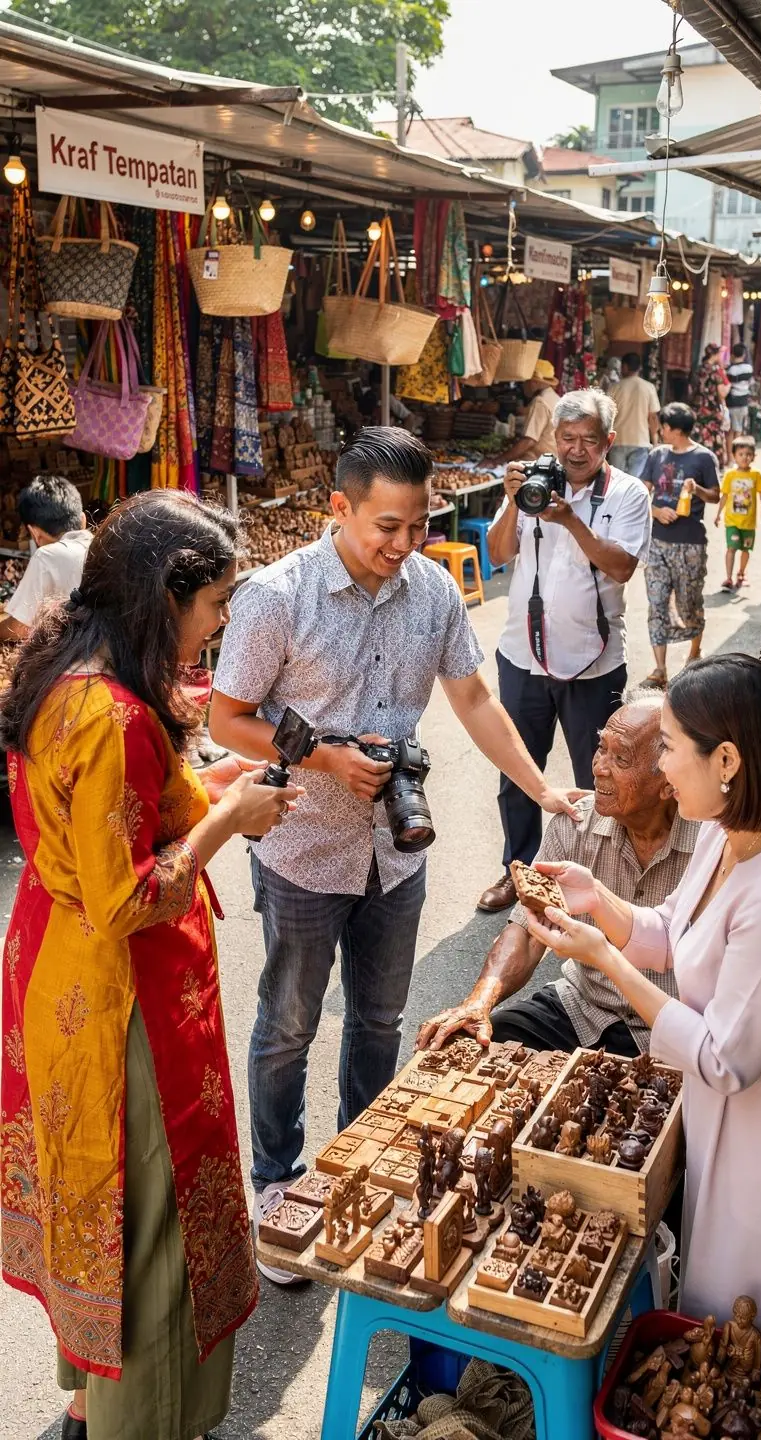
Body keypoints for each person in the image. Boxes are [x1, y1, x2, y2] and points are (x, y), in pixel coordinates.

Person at [208, 427, 582, 1283]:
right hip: (302, 843)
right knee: (288, 1026)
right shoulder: (278, 595)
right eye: (386, 527)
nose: (404, 546)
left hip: (396, 852)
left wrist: (540, 789)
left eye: (418, 525)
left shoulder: (432, 590)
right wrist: (326, 758)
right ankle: (276, 1181)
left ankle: (359, 1166)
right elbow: (225, 720)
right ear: (338, 509)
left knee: (379, 1021)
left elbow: (476, 697)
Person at [0, 493, 298, 1440]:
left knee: (94, 1192)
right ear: (162, 597)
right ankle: (146, 1419)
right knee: (149, 1215)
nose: (218, 622)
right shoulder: (113, 712)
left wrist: (203, 789)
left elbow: (113, 815)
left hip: (61, 971)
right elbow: (125, 894)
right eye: (212, 602)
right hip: (121, 996)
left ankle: (91, 1393)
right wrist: (228, 821)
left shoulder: (66, 659)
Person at [522, 655, 761, 1349]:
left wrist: (604, 958)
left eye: (670, 748)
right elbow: (671, 933)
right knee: (709, 1299)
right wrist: (601, 903)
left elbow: (724, 1057)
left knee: (757, 1328)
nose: (663, 767)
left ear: (727, 760)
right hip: (720, 1123)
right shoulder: (723, 832)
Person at [416, 692, 698, 1057]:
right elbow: (530, 930)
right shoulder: (575, 826)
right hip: (584, 1007)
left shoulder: (711, 844)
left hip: (668, 1023)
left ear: (668, 779)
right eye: (601, 748)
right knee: (465, 1045)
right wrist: (479, 1001)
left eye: (621, 757)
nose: (599, 766)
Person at [477, 388, 652, 914]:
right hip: (523, 657)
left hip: (595, 663)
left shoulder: (626, 494)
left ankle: (594, 880)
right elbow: (497, 553)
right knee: (517, 772)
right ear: (555, 437)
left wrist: (570, 520)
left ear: (609, 443)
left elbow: (621, 567)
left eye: (589, 441)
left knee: (598, 776)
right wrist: (514, 502)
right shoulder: (533, 483)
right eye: (568, 438)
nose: (577, 450)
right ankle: (519, 869)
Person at [640, 402, 720, 690]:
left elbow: (715, 495)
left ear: (674, 429)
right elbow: (641, 493)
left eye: (663, 426)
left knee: (689, 603)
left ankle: (694, 653)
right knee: (657, 602)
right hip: (657, 543)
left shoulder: (704, 457)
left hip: (690, 544)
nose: (660, 430)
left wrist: (696, 489)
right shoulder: (656, 455)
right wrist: (655, 511)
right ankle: (660, 669)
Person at [0, 475, 92, 642]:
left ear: (34, 532)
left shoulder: (46, 557)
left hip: (81, 659)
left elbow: (19, 629)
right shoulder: (102, 544)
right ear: (83, 519)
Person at [715, 436, 761, 591]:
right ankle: (728, 578)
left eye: (748, 454)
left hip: (749, 522)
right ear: (734, 455)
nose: (745, 457)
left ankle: (741, 573)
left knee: (746, 549)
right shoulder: (730, 475)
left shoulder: (756, 475)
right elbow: (724, 496)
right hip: (732, 521)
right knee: (731, 547)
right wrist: (718, 514)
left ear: (753, 456)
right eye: (741, 454)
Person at [494, 359, 560, 466]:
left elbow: (529, 441)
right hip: (553, 461)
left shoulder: (541, 401)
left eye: (526, 381)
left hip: (538, 464)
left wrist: (496, 461)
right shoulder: (555, 398)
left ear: (534, 382)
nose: (524, 386)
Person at [607, 351, 661, 479]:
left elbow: (606, 415)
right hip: (640, 441)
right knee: (634, 482)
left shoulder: (614, 388)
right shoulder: (649, 387)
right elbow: (653, 417)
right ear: (640, 368)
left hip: (618, 440)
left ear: (624, 367)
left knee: (616, 481)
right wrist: (655, 442)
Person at [691, 342, 729, 469]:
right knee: (714, 438)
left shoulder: (699, 369)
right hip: (712, 411)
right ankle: (713, 466)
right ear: (715, 354)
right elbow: (722, 394)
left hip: (698, 409)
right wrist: (728, 386)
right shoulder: (716, 371)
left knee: (700, 437)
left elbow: (691, 389)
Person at [723, 342, 754, 462]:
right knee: (739, 430)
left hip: (732, 402)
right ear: (744, 354)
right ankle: (738, 457)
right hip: (743, 401)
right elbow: (750, 383)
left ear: (732, 354)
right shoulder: (749, 368)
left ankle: (730, 458)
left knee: (730, 431)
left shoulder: (730, 370)